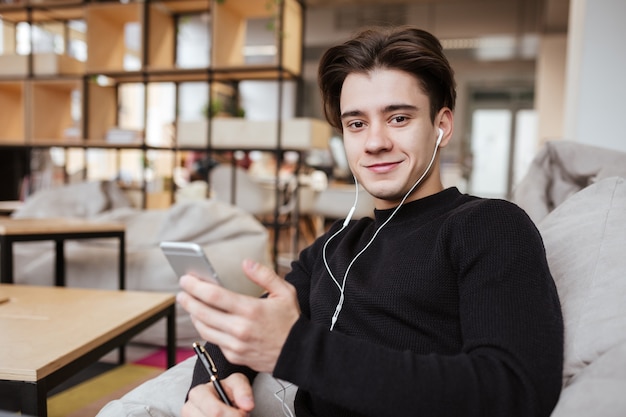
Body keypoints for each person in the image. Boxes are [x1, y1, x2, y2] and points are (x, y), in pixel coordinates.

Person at [176, 25, 564, 417]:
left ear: (441, 126)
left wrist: (295, 349)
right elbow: (251, 326)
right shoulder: (334, 246)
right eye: (356, 124)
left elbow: (514, 390)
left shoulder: (488, 225)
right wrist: (209, 385)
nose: (374, 142)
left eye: (398, 118)